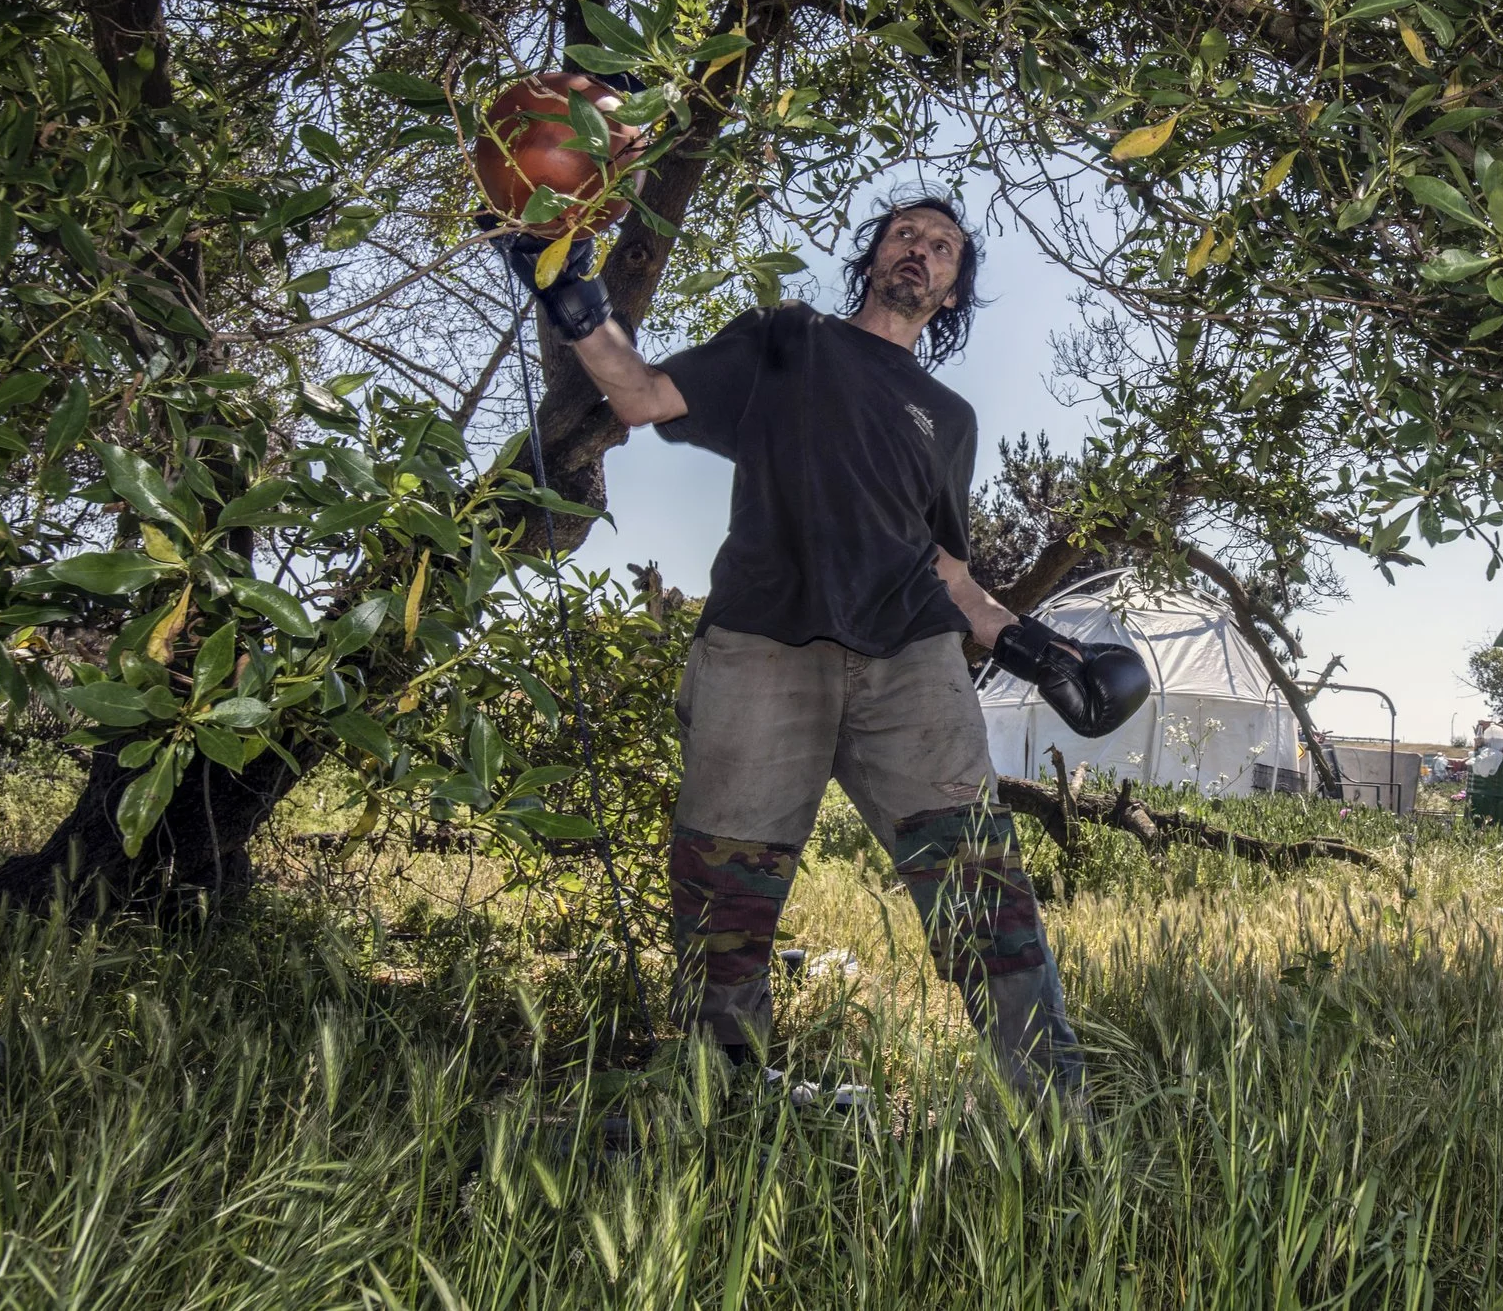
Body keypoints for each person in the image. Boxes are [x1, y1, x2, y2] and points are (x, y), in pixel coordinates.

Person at [491, 194, 1147, 1104]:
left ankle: (1054, 1110)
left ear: (953, 292)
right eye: (906, 235)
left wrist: (1041, 651)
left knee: (983, 888)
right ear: (874, 256)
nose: (921, 251)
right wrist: (569, 293)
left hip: (910, 664)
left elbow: (949, 574)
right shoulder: (787, 340)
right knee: (727, 897)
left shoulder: (947, 418)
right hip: (763, 647)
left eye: (944, 248)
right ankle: (719, 1102)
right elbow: (639, 394)